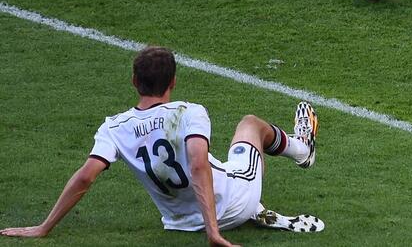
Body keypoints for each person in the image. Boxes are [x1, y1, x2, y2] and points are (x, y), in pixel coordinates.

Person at [0, 46, 320, 245]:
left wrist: (43, 227)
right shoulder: (189, 111)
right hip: (233, 205)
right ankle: (303, 150)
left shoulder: (114, 127)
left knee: (226, 161)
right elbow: (196, 165)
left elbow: (85, 178)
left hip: (179, 224)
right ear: (173, 83)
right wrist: (213, 232)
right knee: (250, 125)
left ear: (133, 82)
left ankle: (248, 201)